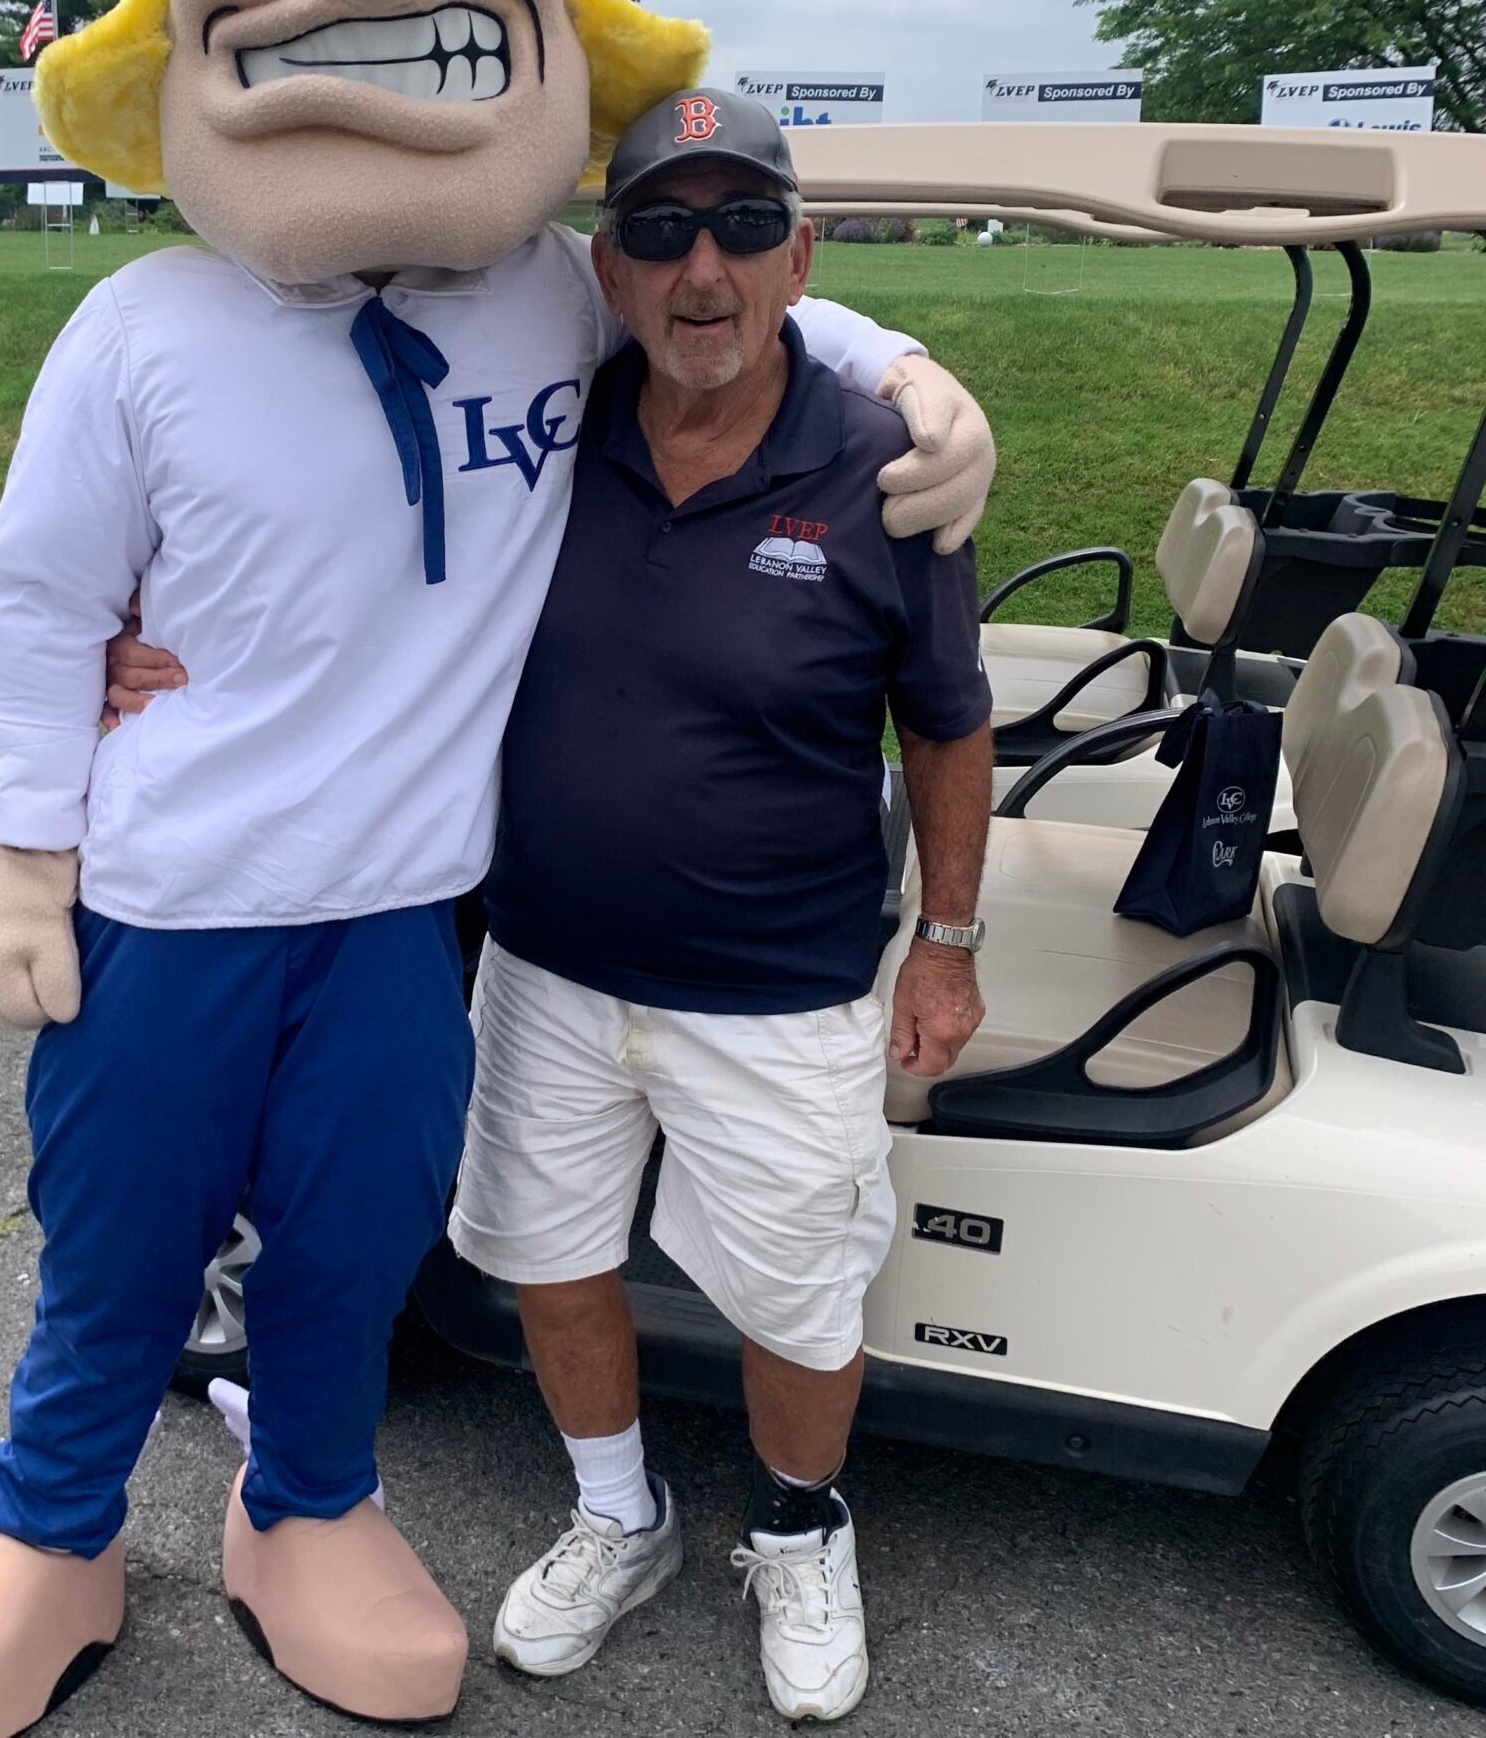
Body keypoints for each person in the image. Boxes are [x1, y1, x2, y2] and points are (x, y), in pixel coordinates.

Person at [0, 0, 998, 1738]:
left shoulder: (540, 289)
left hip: (398, 917)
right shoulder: (139, 332)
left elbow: (731, 296)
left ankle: (313, 1508)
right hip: (171, 899)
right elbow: (38, 606)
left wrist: (915, 367)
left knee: (352, 1254)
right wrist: (22, 854)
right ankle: (44, 1544)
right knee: (119, 1253)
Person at [106, 87, 994, 1723]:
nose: (700, 267)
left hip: (782, 981)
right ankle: (617, 1512)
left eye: (741, 228)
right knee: (550, 1256)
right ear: (611, 265)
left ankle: (798, 1528)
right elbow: (340, 544)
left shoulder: (882, 464)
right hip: (547, 960)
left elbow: (945, 718)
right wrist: (132, 623)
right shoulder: (555, 413)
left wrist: (944, 940)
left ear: (801, 255)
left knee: (799, 1290)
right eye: (659, 229)